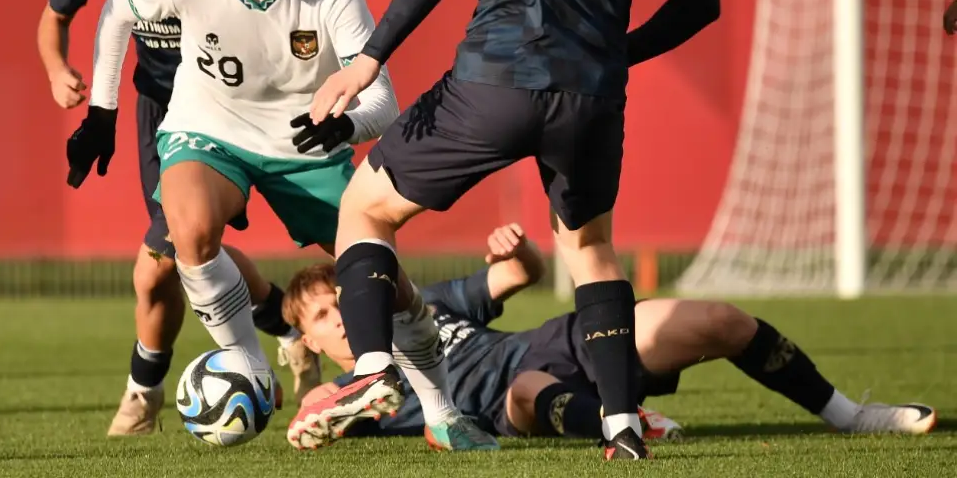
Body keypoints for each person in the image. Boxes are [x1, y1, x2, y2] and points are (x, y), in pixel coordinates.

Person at [299, 0, 722, 460]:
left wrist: (367, 59)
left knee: (365, 209)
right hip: (591, 94)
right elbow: (702, 0)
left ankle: (369, 369)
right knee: (591, 249)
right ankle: (621, 423)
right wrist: (622, 52)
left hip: (495, 80)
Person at [74, 0, 497, 451]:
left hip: (308, 148)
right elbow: (118, 12)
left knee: (388, 285)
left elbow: (383, 99)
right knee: (187, 230)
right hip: (209, 131)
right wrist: (102, 110)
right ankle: (249, 364)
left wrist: (346, 128)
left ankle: (442, 412)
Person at [40, 0, 317, 436]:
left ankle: (144, 392)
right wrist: (58, 69)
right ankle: (286, 330)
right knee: (184, 249)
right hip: (155, 111)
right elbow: (54, 18)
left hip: (221, 109)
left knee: (161, 260)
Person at [285, 224, 937, 449]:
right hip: (514, 404)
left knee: (722, 322)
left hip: (557, 339)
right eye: (319, 317)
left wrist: (513, 251)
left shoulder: (418, 308)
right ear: (307, 341)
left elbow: (518, 275)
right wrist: (306, 389)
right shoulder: (349, 397)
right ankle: (625, 421)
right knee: (526, 391)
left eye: (341, 301)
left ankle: (849, 415)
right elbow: (306, 427)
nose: (340, 316)